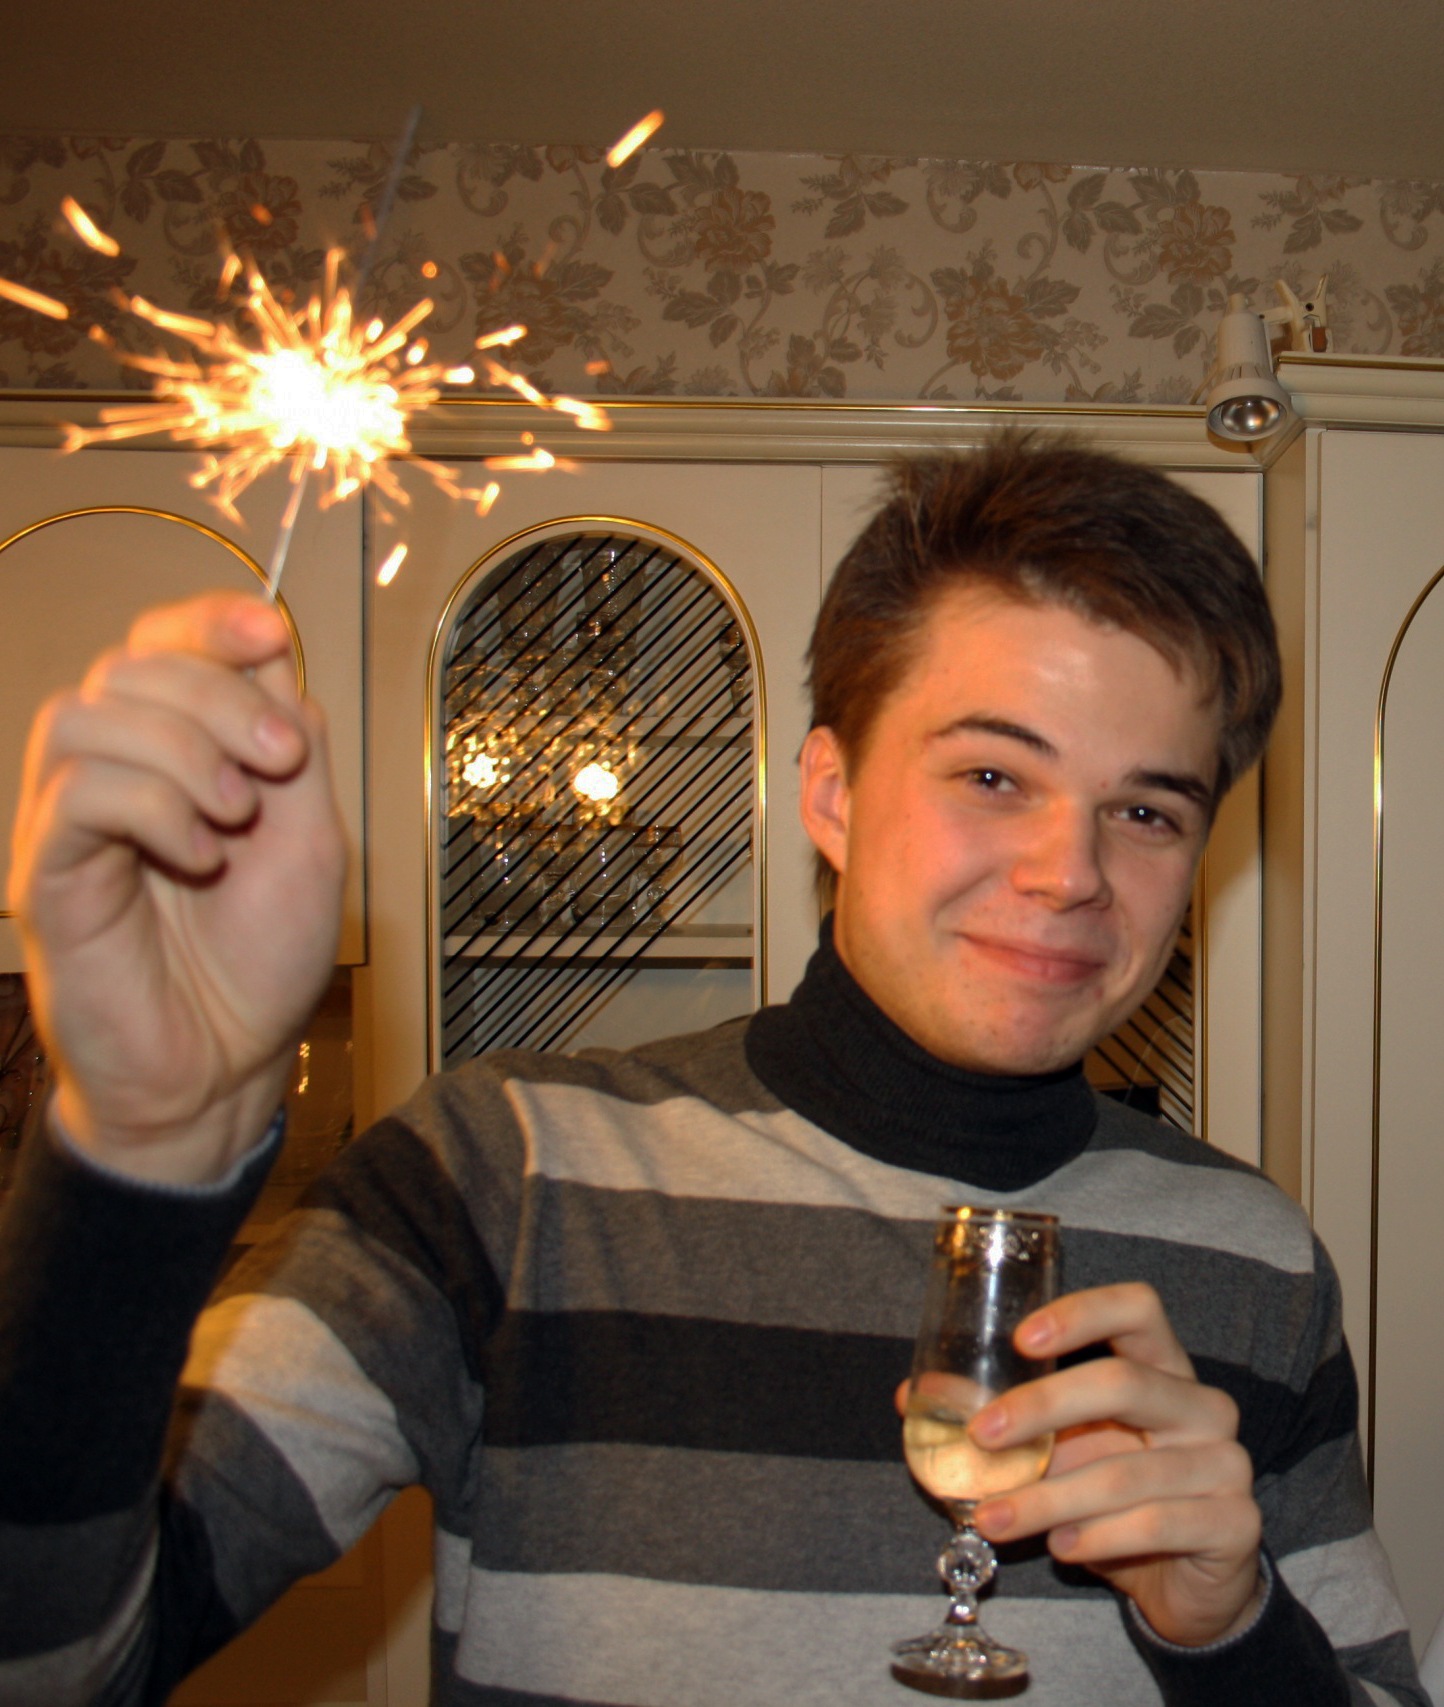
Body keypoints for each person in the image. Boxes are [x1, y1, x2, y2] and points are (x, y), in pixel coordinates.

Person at [0, 435, 1423, 1707]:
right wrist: (143, 1144)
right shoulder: (505, 1174)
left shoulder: (1257, 1262)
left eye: (1147, 811)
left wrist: (1232, 1634)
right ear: (831, 795)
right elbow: (57, 1663)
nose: (1070, 873)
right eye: (994, 776)